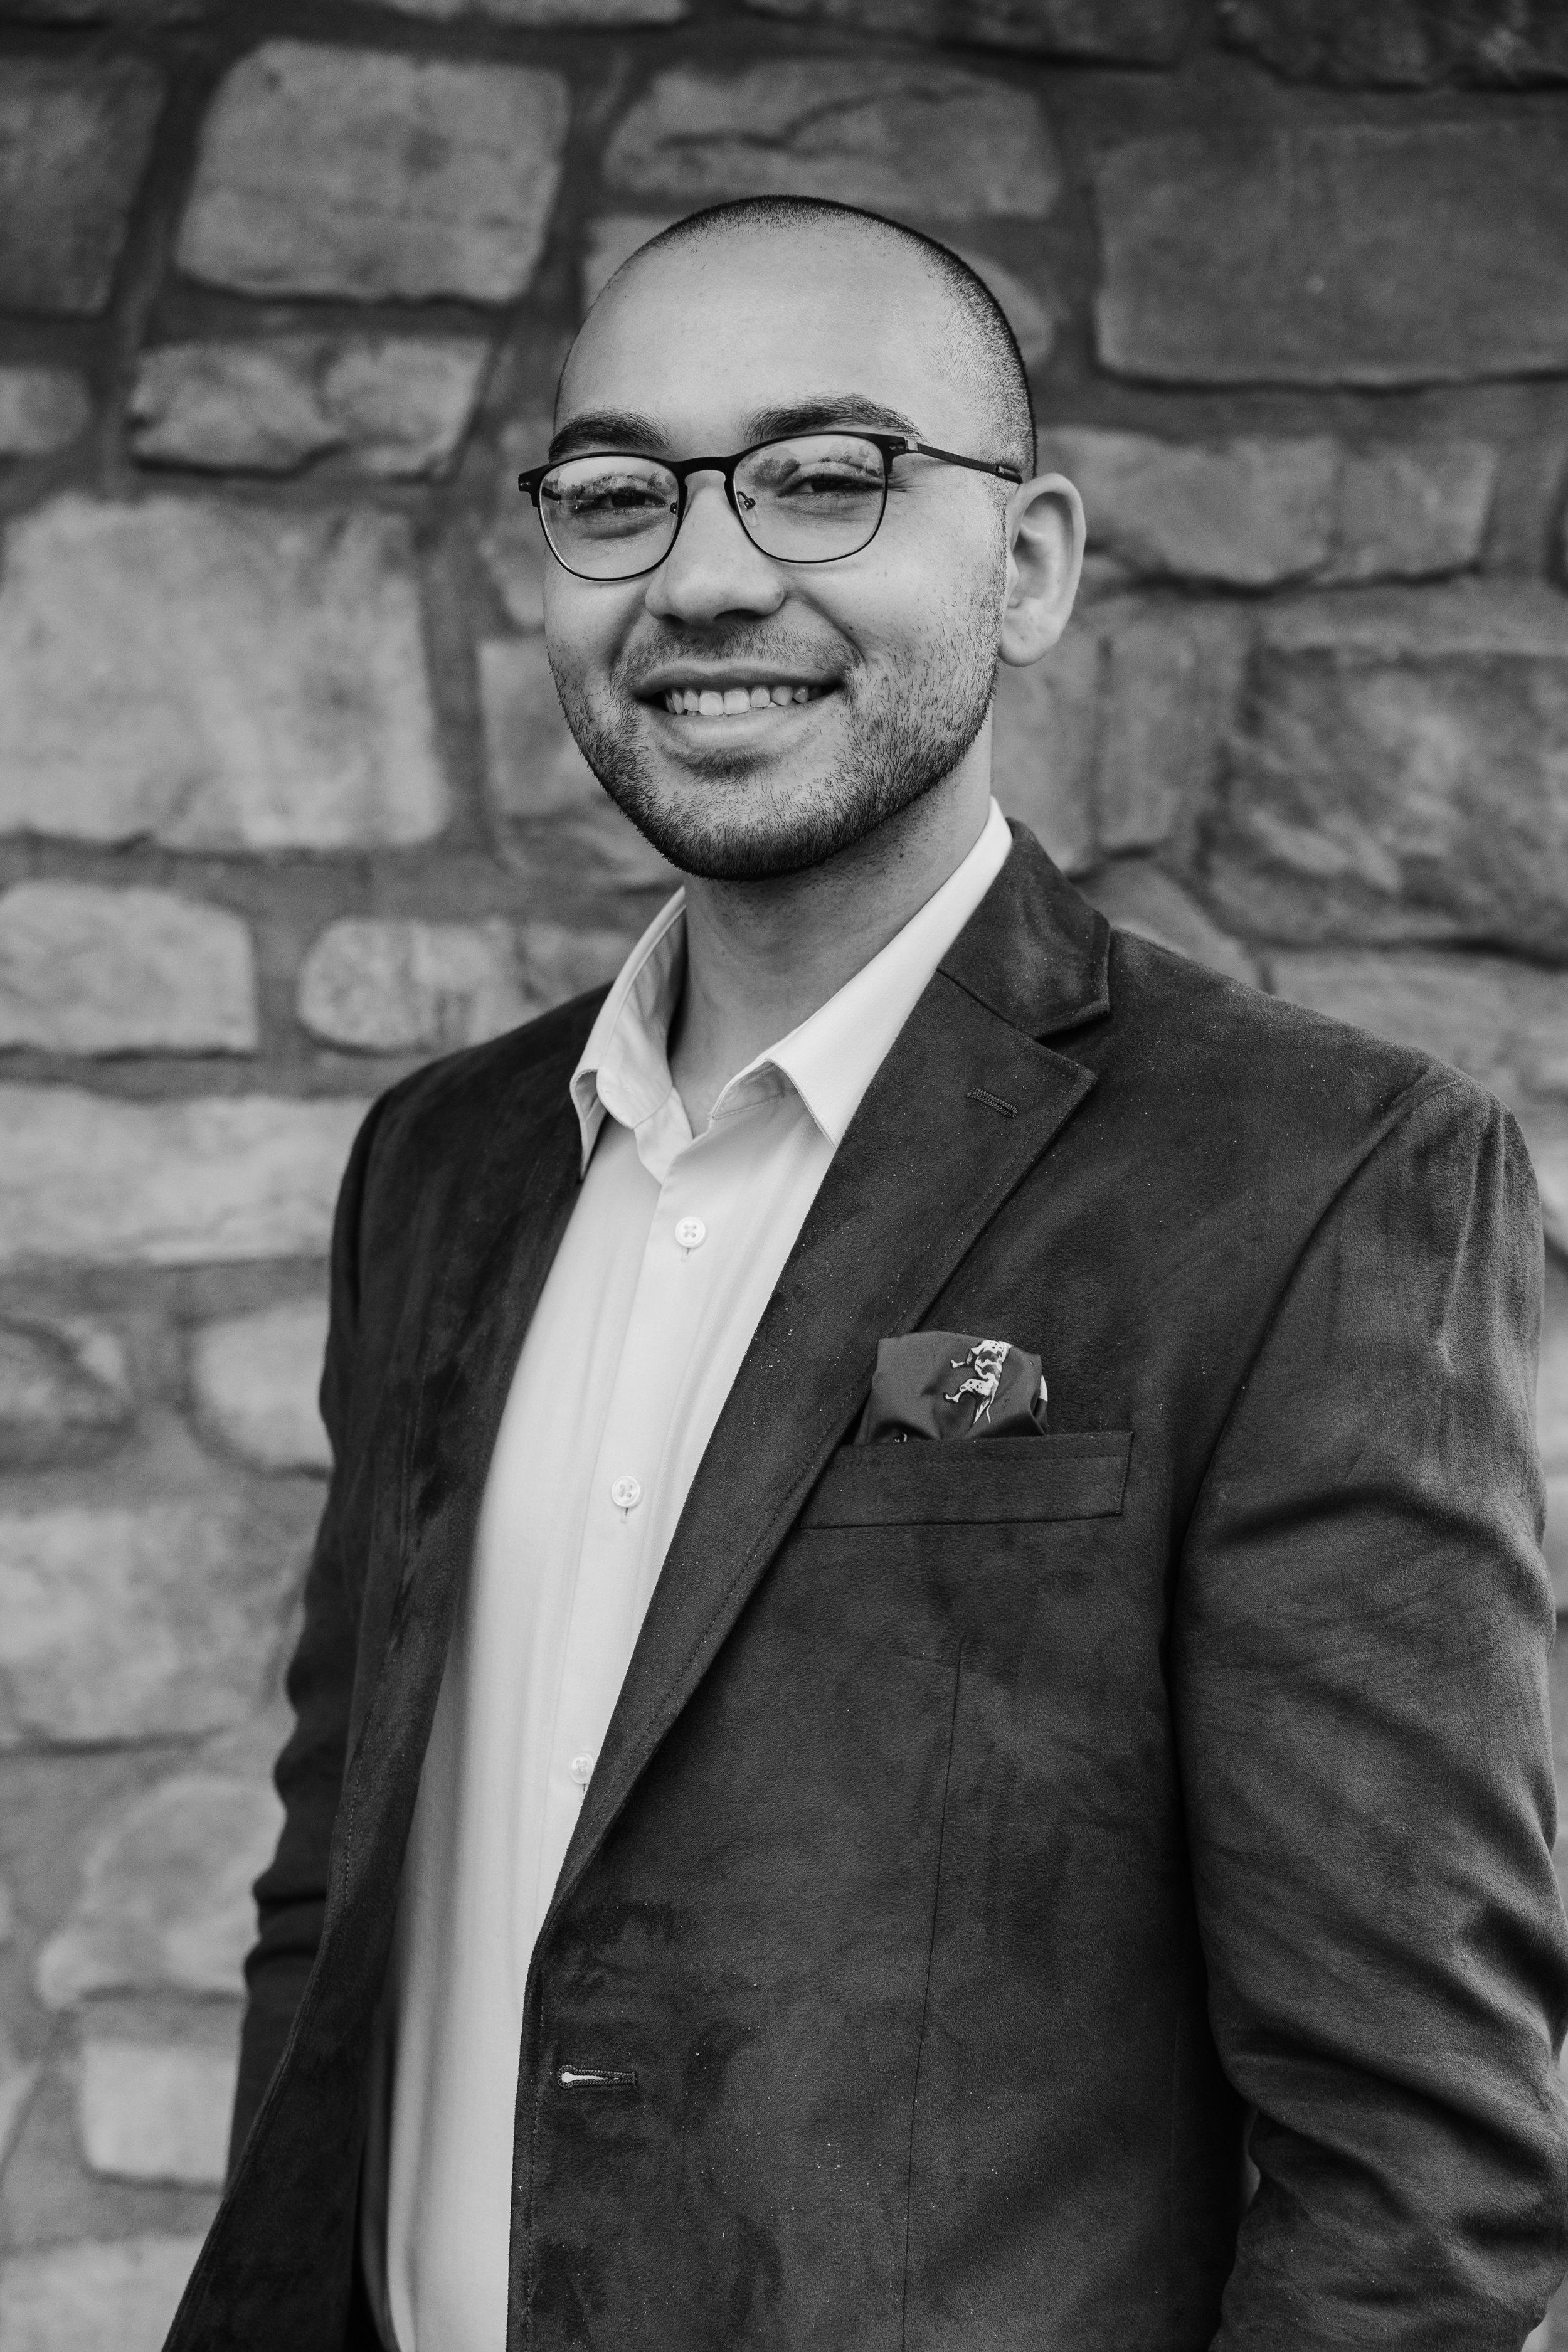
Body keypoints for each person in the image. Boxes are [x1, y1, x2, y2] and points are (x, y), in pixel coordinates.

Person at [166, 198, 1568, 2352]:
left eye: (826, 476)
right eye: (619, 496)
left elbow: (1420, 2169)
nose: (710, 573)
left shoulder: (1318, 1178)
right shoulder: (441, 1168)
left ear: (1027, 567)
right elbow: (331, 1911)